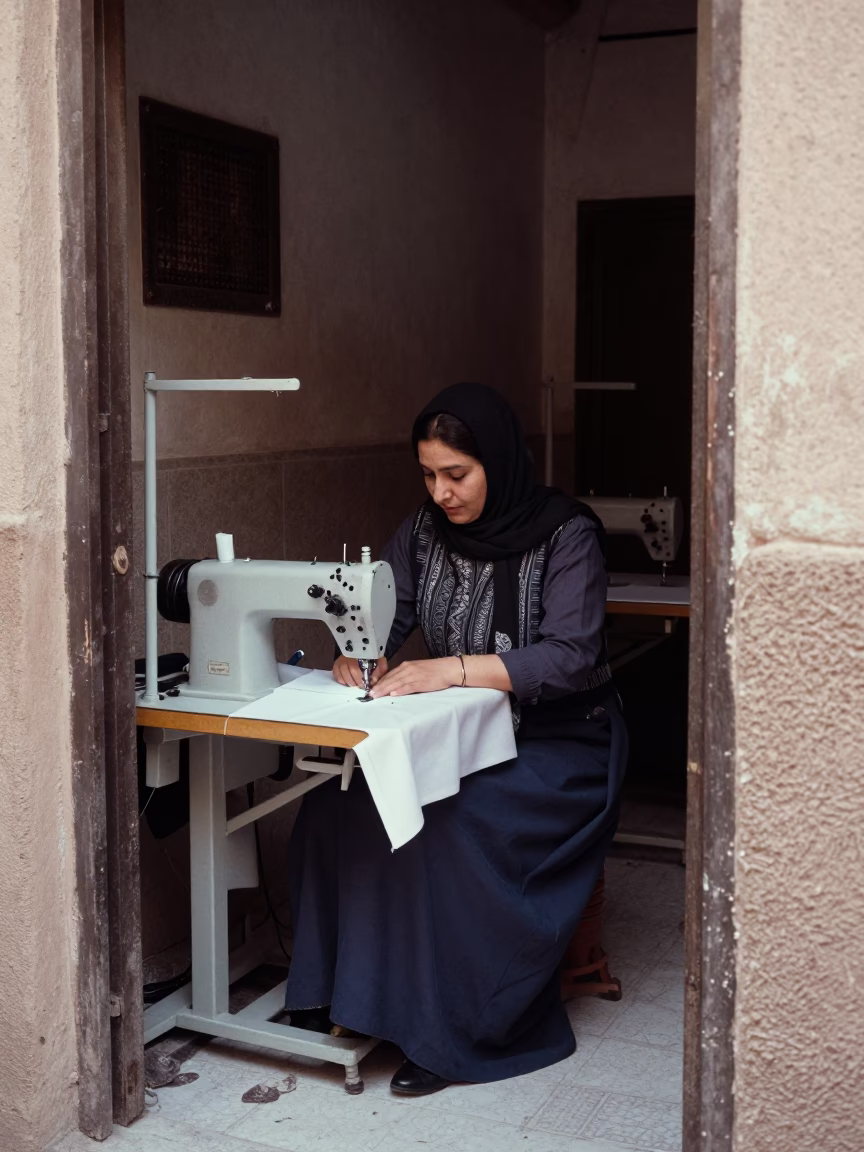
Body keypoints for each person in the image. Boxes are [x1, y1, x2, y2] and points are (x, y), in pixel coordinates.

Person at [284, 383, 627, 1095]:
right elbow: (389, 609)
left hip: (560, 747)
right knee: (333, 809)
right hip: (459, 739)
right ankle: (338, 1000)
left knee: (444, 826)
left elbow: (571, 656)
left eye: (457, 475)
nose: (441, 492)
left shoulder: (569, 536)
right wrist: (362, 652)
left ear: (497, 463)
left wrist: (453, 670)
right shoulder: (420, 533)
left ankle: (454, 1034)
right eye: (428, 475)